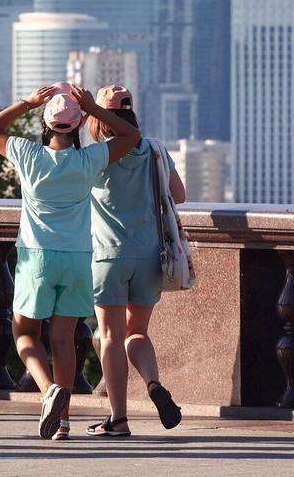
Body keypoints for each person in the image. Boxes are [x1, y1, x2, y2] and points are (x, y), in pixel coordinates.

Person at [0, 83, 140, 441]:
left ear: (45, 122)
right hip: (78, 258)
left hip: (37, 256)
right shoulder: (89, 160)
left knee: (24, 333)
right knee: (64, 340)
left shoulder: (27, 154)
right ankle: (62, 422)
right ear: (78, 123)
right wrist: (92, 110)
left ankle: (48, 389)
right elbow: (131, 134)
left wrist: (28, 102)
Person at [85, 85, 184, 437]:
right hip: (149, 254)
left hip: (107, 255)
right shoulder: (155, 149)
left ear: (98, 119)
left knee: (110, 335)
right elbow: (179, 194)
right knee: (137, 332)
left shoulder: (96, 155)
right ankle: (154, 384)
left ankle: (118, 419)